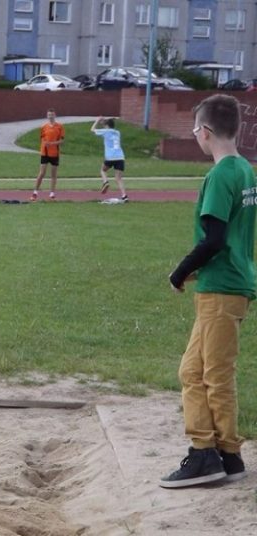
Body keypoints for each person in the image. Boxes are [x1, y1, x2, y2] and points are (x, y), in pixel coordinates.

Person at [160, 94, 256, 489]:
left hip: (222, 287)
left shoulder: (220, 175)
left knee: (202, 372)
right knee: (210, 371)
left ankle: (204, 454)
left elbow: (214, 238)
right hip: (232, 283)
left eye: (195, 131)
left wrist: (180, 271)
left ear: (205, 132)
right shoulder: (246, 170)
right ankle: (228, 455)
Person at [30, 108, 65, 201]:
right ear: (47, 116)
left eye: (52, 115)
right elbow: (42, 139)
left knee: (53, 174)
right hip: (45, 153)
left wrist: (52, 144)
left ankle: (52, 193)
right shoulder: (43, 127)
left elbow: (62, 141)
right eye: (49, 115)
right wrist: (45, 144)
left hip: (55, 153)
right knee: (42, 173)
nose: (50, 116)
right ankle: (35, 193)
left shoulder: (60, 126)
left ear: (55, 115)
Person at [91, 116, 128, 201]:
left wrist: (97, 121)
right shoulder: (117, 132)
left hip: (110, 157)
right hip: (120, 157)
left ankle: (105, 182)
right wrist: (106, 121)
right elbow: (110, 125)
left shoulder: (105, 131)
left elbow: (92, 130)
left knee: (103, 170)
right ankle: (124, 195)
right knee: (118, 178)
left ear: (107, 125)